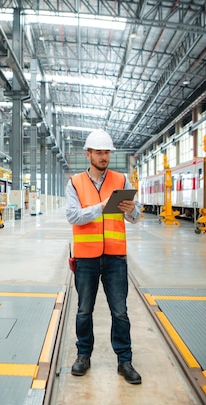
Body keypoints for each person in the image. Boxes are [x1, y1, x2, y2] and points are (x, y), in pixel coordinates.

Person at [65, 128, 142, 384]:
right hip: (86, 258)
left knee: (120, 311)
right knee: (84, 310)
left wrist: (131, 210)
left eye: (106, 152)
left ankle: (125, 361)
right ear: (88, 154)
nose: (103, 157)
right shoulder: (75, 182)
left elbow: (136, 216)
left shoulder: (121, 181)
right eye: (98, 152)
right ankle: (83, 356)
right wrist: (101, 206)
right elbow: (73, 216)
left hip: (115, 258)